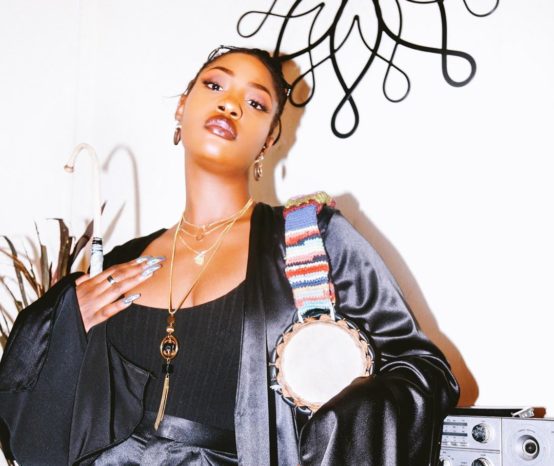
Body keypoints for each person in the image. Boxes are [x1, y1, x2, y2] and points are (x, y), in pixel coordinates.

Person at [0, 46, 459, 465]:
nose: (231, 104)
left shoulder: (309, 241)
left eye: (255, 103)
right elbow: (37, 430)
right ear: (182, 106)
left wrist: (335, 432)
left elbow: (424, 371)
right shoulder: (119, 264)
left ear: (269, 138)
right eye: (215, 85)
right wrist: (64, 322)